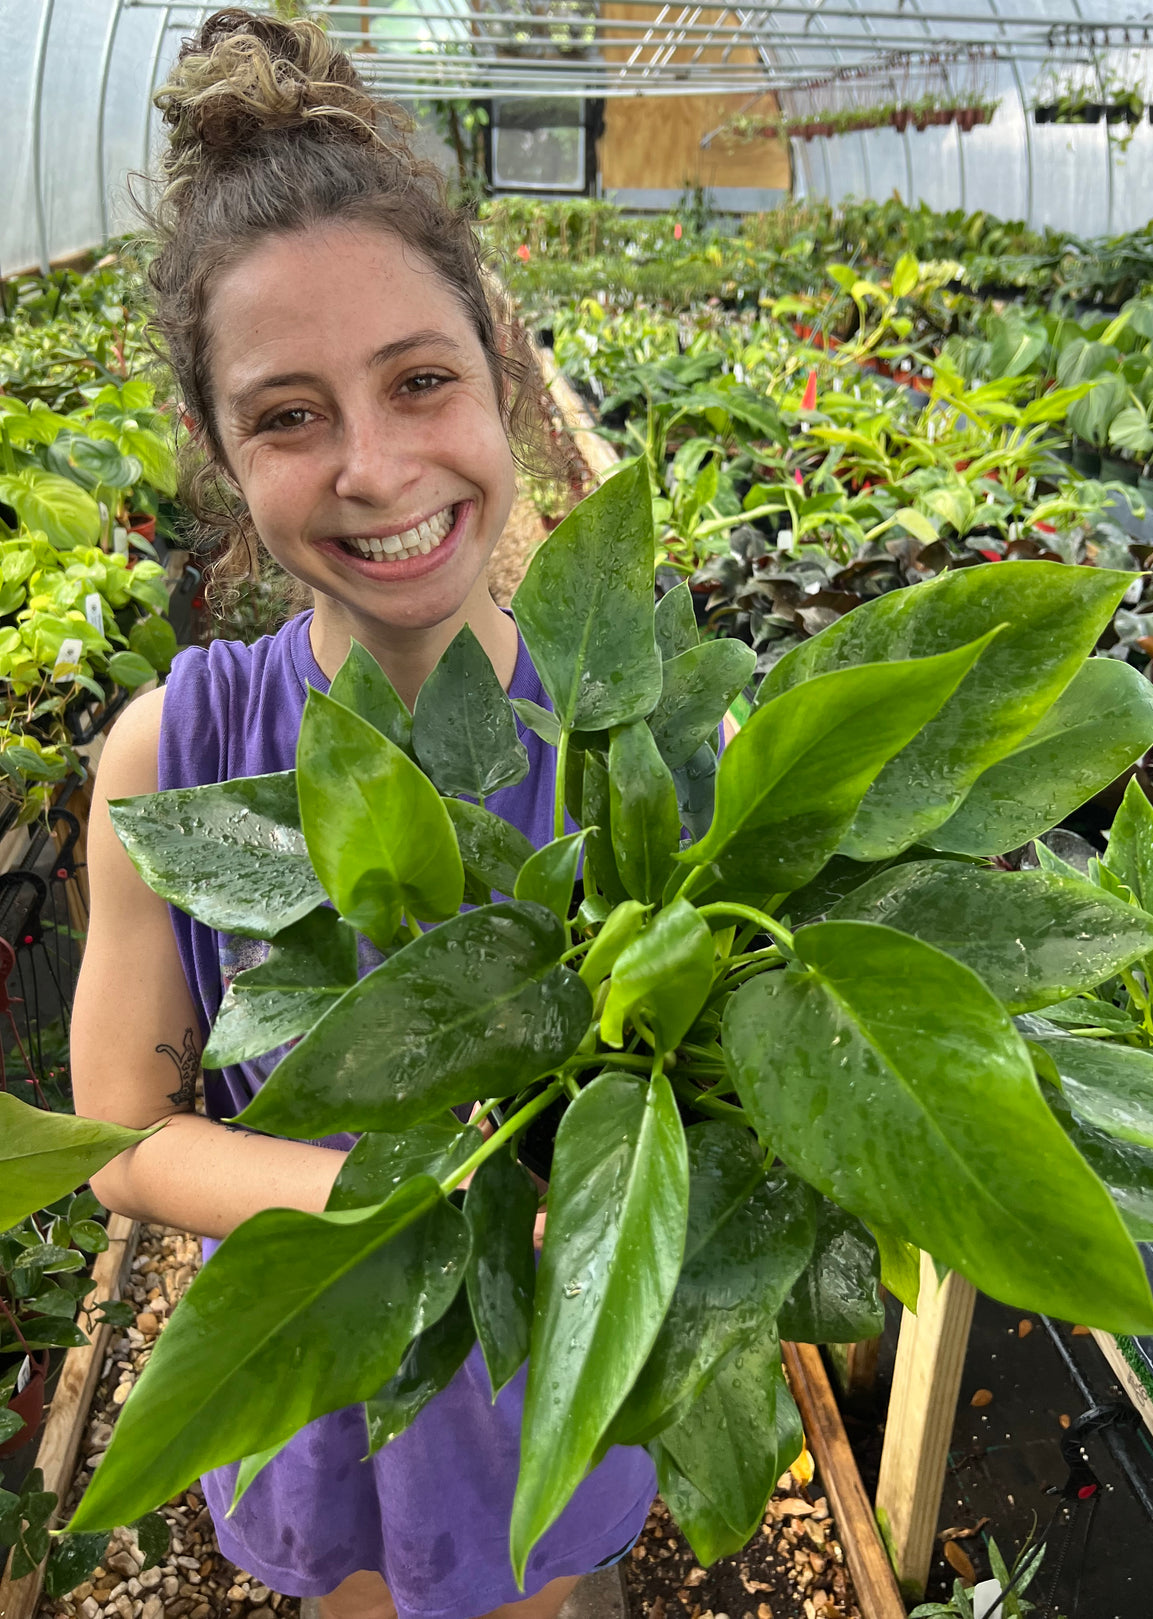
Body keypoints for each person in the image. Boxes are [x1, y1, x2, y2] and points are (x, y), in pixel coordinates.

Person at [70, 12, 656, 1619]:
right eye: (289, 415)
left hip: (542, 1368)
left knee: (533, 1579)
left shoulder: (648, 745)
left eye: (417, 382)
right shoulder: (172, 756)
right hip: (319, 1358)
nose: (378, 470)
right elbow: (122, 1125)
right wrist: (402, 1206)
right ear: (219, 451)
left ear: (502, 372)